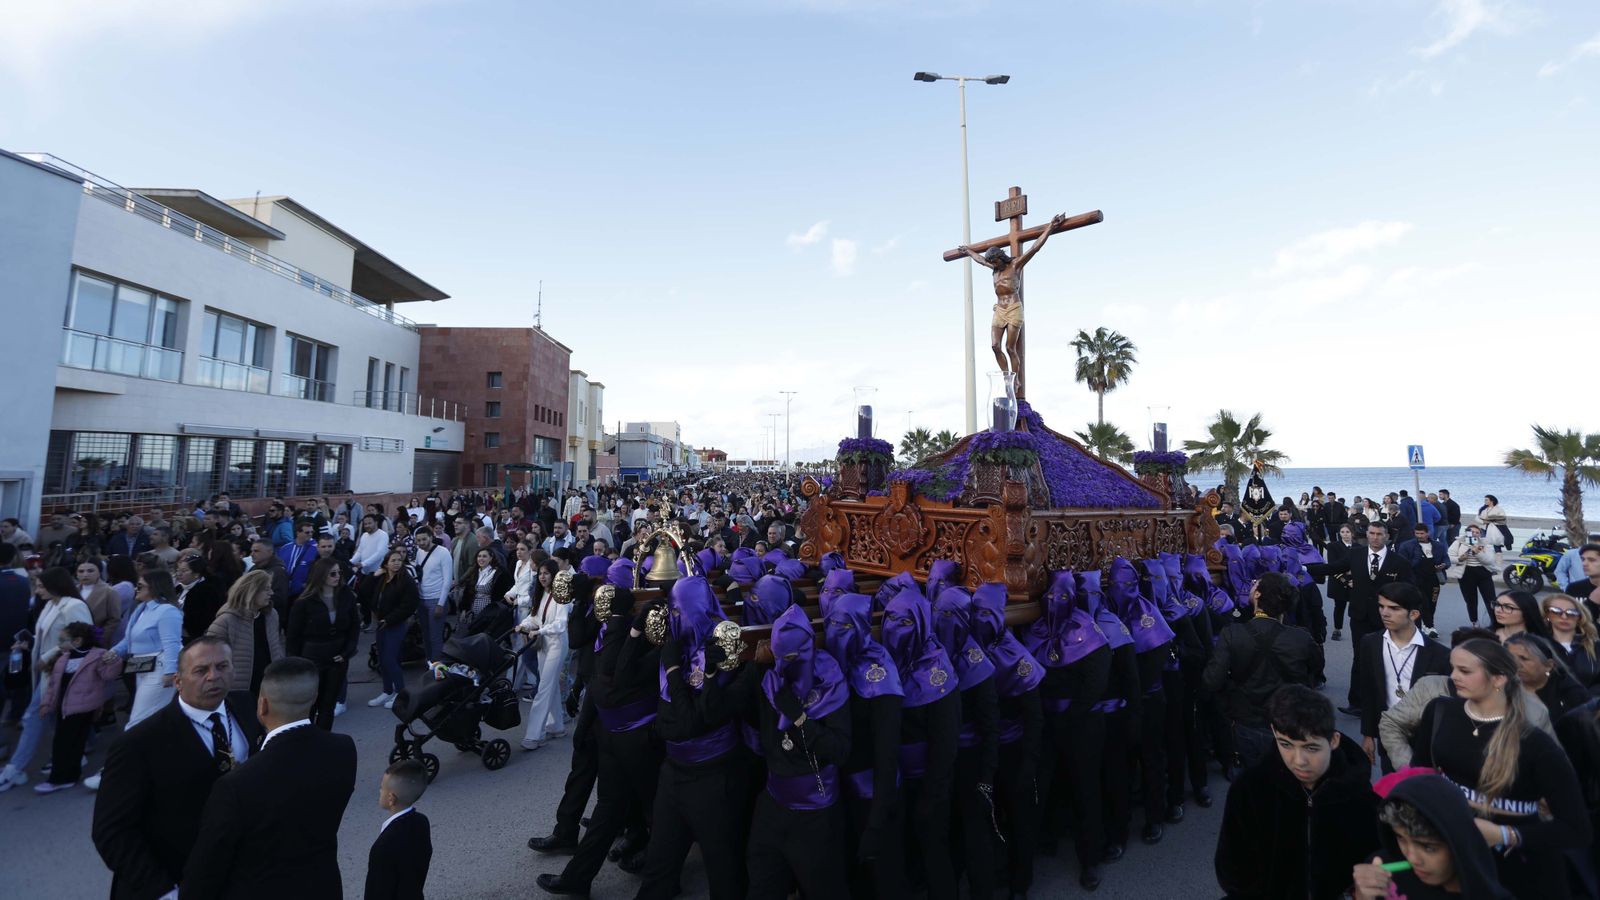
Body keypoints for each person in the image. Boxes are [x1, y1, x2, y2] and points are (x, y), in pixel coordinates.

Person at [1410, 638, 1591, 897]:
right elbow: (1420, 777)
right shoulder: (1440, 711)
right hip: (1454, 857)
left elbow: (1576, 830)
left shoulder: (1535, 743)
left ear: (1499, 679)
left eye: (1465, 671)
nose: (1453, 676)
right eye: (1453, 668)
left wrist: (1506, 835)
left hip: (1519, 870)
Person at [92, 636, 264, 900]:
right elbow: (111, 832)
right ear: (178, 681)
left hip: (236, 873)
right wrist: (163, 891)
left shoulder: (245, 706)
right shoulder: (139, 744)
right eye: (201, 670)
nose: (213, 677)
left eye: (222, 666)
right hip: (173, 879)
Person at [183, 657, 358, 898]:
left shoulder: (236, 785)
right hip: (323, 886)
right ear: (314, 697)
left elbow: (206, 869)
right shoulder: (344, 749)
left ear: (262, 705)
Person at [1214, 685, 1377, 900]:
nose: (1298, 760)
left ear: (1334, 740)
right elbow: (1232, 870)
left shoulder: (1358, 794)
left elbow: (1376, 859)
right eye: (1286, 744)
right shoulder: (1250, 789)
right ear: (1274, 732)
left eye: (1311, 748)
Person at [1202, 571, 1322, 771]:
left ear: (1257, 594)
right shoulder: (1301, 638)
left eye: (1254, 584)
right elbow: (1316, 670)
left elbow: (1211, 680)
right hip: (1289, 722)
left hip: (1246, 721)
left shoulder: (1233, 634)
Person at [1350, 773, 1514, 900]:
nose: (1412, 858)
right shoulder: (1379, 869)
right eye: (1401, 838)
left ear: (1458, 843)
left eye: (1428, 847)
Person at [1311, 521, 1414, 713]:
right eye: (1372, 533)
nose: (1375, 537)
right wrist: (1303, 569)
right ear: (1366, 535)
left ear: (1387, 537)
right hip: (1359, 615)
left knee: (1388, 659)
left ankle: (1389, 700)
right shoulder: (1355, 555)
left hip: (1387, 620)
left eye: (1379, 534)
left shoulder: (1399, 562)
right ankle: (1356, 702)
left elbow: (1410, 590)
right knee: (1360, 658)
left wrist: (1410, 616)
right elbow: (1332, 568)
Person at [1355, 582, 1451, 772]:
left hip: (1427, 737)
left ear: (1413, 614)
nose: (1384, 613)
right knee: (1392, 790)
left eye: (1394, 608)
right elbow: (1368, 690)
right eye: (1381, 606)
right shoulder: (1370, 643)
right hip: (1389, 734)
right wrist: (1368, 734)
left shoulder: (1440, 654)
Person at [35, 621, 117, 793]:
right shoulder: (63, 659)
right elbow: (53, 685)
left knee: (66, 743)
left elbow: (108, 675)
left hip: (82, 708)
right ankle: (68, 775)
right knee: (66, 742)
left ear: (78, 641)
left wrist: (113, 660)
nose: (59, 644)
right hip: (64, 708)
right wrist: (47, 703)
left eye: (63, 640)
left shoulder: (97, 656)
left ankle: (59, 778)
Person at [288, 557, 362, 729]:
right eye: (332, 573)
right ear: (321, 576)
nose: (337, 576)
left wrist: (347, 652)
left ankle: (323, 741)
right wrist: (296, 663)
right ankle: (307, 740)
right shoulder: (304, 602)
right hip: (312, 658)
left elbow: (354, 627)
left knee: (328, 705)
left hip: (338, 658)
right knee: (310, 705)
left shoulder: (346, 596)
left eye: (339, 573)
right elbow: (293, 635)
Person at [106, 569, 186, 726]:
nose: (136, 589)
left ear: (154, 587)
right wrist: (115, 651)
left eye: (140, 586)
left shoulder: (167, 611)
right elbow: (130, 638)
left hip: (159, 669)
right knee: (148, 719)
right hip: (142, 666)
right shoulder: (142, 609)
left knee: (139, 720)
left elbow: (172, 643)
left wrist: (170, 672)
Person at [204, 569, 284, 699]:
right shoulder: (226, 620)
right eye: (266, 589)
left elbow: (277, 646)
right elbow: (210, 656)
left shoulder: (271, 615)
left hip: (270, 686)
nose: (271, 593)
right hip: (238, 690)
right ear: (252, 591)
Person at [364, 759, 433, 900]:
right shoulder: (421, 822)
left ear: (391, 798)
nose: (380, 790)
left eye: (381, 787)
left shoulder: (383, 846)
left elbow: (376, 891)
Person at [518, 561, 569, 750]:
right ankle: (556, 726)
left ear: (554, 575)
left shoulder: (561, 596)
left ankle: (534, 735)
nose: (542, 576)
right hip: (544, 643)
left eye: (547, 573)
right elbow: (535, 617)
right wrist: (524, 625)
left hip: (557, 643)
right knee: (550, 685)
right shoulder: (542, 594)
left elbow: (560, 624)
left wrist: (539, 631)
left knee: (544, 687)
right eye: (540, 573)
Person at [367, 549, 420, 709]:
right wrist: (374, 575)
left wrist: (390, 619)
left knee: (391, 659)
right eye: (393, 560)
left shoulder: (406, 580)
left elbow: (409, 605)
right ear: (386, 563)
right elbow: (364, 591)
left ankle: (400, 692)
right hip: (381, 624)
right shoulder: (382, 578)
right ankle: (387, 690)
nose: (397, 563)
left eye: (399, 560)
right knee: (382, 659)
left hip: (395, 624)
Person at [1504, 632, 1591, 721]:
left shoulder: (1572, 693)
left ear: (1548, 665)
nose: (1517, 665)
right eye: (1510, 659)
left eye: (1524, 659)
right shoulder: (1501, 689)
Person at [1397, 523, 1449, 638]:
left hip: (1434, 580)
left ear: (1428, 533)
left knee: (1432, 604)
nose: (1419, 536)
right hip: (1415, 580)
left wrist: (1443, 565)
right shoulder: (1407, 546)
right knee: (1422, 603)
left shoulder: (1438, 545)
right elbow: (1402, 563)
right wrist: (1416, 559)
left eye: (1422, 533)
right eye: (1417, 533)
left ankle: (1427, 625)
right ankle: (1427, 627)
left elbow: (1446, 559)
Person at [409, 526, 451, 662]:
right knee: (425, 635)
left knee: (435, 636)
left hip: (436, 600)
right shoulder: (419, 552)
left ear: (431, 537)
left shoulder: (443, 553)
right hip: (422, 600)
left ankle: (437, 665)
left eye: (424, 539)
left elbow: (447, 580)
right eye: (418, 540)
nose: (421, 543)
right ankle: (429, 661)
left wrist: (440, 603)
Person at [1542, 593, 1599, 688]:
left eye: (1572, 613)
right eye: (1556, 611)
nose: (1564, 617)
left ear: (1579, 617)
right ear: (1547, 614)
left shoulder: (1595, 646)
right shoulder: (1536, 645)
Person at [1449, 525, 1498, 627]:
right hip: (1466, 574)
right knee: (1471, 600)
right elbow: (1449, 557)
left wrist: (1477, 553)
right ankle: (1475, 622)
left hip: (1483, 573)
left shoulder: (1485, 543)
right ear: (1467, 533)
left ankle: (1495, 623)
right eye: (1472, 532)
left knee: (1491, 600)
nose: (1475, 534)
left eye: (1477, 532)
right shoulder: (1458, 542)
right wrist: (1459, 559)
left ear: (1480, 534)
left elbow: (1490, 560)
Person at [175, 553, 227, 643]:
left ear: (196, 574)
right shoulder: (178, 588)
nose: (179, 574)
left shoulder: (206, 592)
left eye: (184, 571)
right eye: (178, 570)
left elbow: (202, 620)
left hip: (194, 637)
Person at [1326, 523, 1358, 640]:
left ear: (1352, 533)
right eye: (1343, 532)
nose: (1345, 535)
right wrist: (1346, 581)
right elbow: (1333, 567)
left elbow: (1360, 566)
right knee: (1339, 606)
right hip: (1338, 582)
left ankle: (1357, 629)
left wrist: (1354, 578)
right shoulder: (1333, 547)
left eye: (1348, 532)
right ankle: (1337, 629)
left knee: (1356, 607)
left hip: (1355, 582)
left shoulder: (1358, 547)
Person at [277, 521, 318, 599]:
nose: (310, 534)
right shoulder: (285, 548)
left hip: (304, 592)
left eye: (312, 532)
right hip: (285, 590)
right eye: (307, 532)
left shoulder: (316, 548)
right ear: (298, 533)